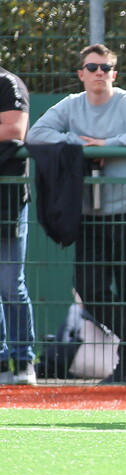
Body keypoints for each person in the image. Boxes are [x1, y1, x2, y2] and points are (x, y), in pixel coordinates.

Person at [26, 44, 126, 385]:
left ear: (114, 74)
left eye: (105, 68)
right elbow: (36, 135)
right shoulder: (71, 104)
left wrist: (106, 144)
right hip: (89, 214)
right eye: (92, 67)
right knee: (89, 289)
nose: (99, 73)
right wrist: (80, 145)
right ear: (81, 74)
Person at [0, 65, 36, 385]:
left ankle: (23, 360)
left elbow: (13, 129)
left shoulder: (7, 83)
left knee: (11, 284)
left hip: (7, 199)